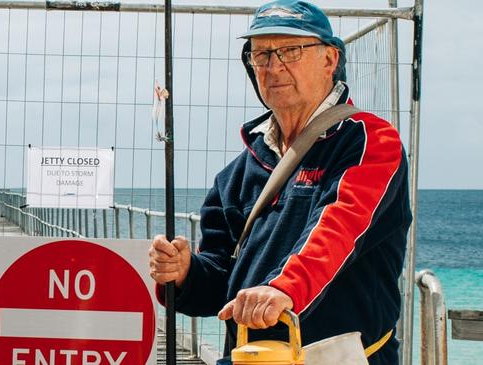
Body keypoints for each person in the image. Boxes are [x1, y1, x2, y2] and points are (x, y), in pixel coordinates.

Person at [148, 0, 412, 363]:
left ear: (330, 60)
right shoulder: (241, 170)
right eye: (261, 55)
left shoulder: (369, 141)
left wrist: (282, 289)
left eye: (290, 50)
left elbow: (337, 230)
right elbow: (221, 282)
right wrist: (184, 273)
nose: (274, 67)